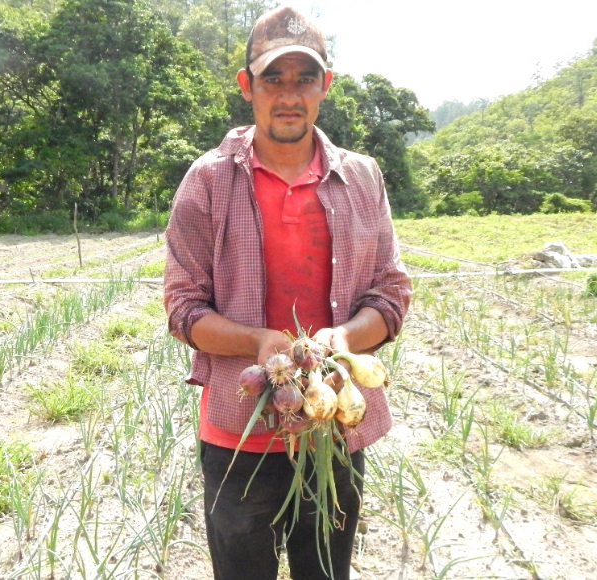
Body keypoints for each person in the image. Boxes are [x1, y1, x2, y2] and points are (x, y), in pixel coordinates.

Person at [163, 6, 412, 580]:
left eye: (305, 78)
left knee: (325, 572)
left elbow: (392, 294)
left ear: (326, 85)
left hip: (335, 425)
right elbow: (183, 309)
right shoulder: (208, 181)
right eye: (273, 78)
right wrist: (257, 342)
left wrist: (343, 338)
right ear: (246, 85)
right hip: (239, 437)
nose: (289, 95)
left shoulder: (363, 178)